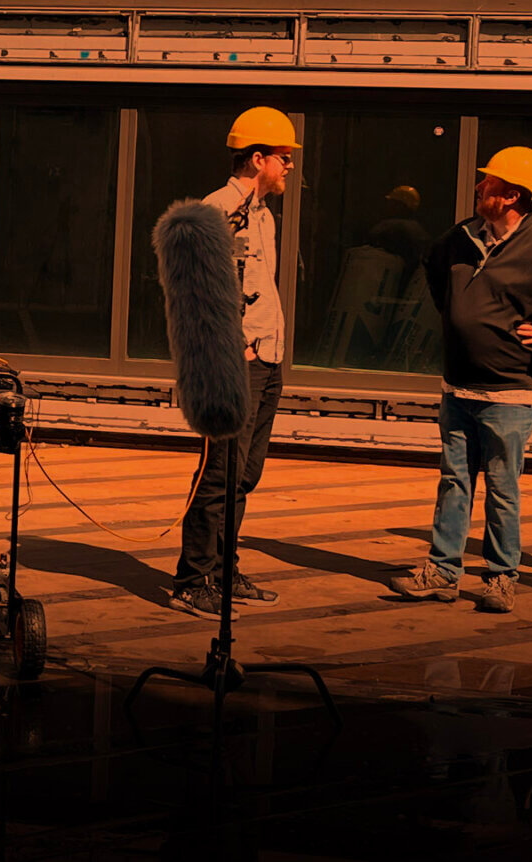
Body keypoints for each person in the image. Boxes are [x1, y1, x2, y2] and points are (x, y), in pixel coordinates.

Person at [385, 146, 532, 614]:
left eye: (488, 184)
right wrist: (456, 316)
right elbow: (433, 266)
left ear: (510, 196)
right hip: (458, 388)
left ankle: (501, 577)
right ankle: (443, 572)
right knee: (454, 481)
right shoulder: (461, 237)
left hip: (510, 393)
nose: (478, 188)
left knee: (503, 487)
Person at [171, 106, 297, 620]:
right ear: (257, 157)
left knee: (245, 474)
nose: (289, 166)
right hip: (235, 364)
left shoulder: (263, 214)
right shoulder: (214, 211)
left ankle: (224, 571)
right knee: (219, 476)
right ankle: (191, 579)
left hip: (267, 359)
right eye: (283, 158)